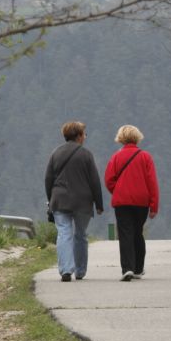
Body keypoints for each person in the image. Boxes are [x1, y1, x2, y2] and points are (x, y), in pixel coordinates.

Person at [44, 121, 104, 282]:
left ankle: (65, 270)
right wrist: (99, 204)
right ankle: (80, 271)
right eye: (84, 134)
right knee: (80, 235)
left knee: (64, 233)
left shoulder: (55, 153)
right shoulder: (86, 154)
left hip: (60, 199)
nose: (85, 137)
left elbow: (48, 179)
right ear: (78, 136)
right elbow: (94, 181)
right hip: (82, 201)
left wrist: (50, 199)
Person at [104, 124, 159, 281]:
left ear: (120, 138)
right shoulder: (145, 157)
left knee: (125, 233)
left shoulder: (116, 157)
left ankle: (127, 268)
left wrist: (118, 189)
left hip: (122, 202)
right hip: (142, 202)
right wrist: (154, 206)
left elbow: (108, 180)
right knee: (137, 232)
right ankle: (138, 268)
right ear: (137, 137)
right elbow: (152, 183)